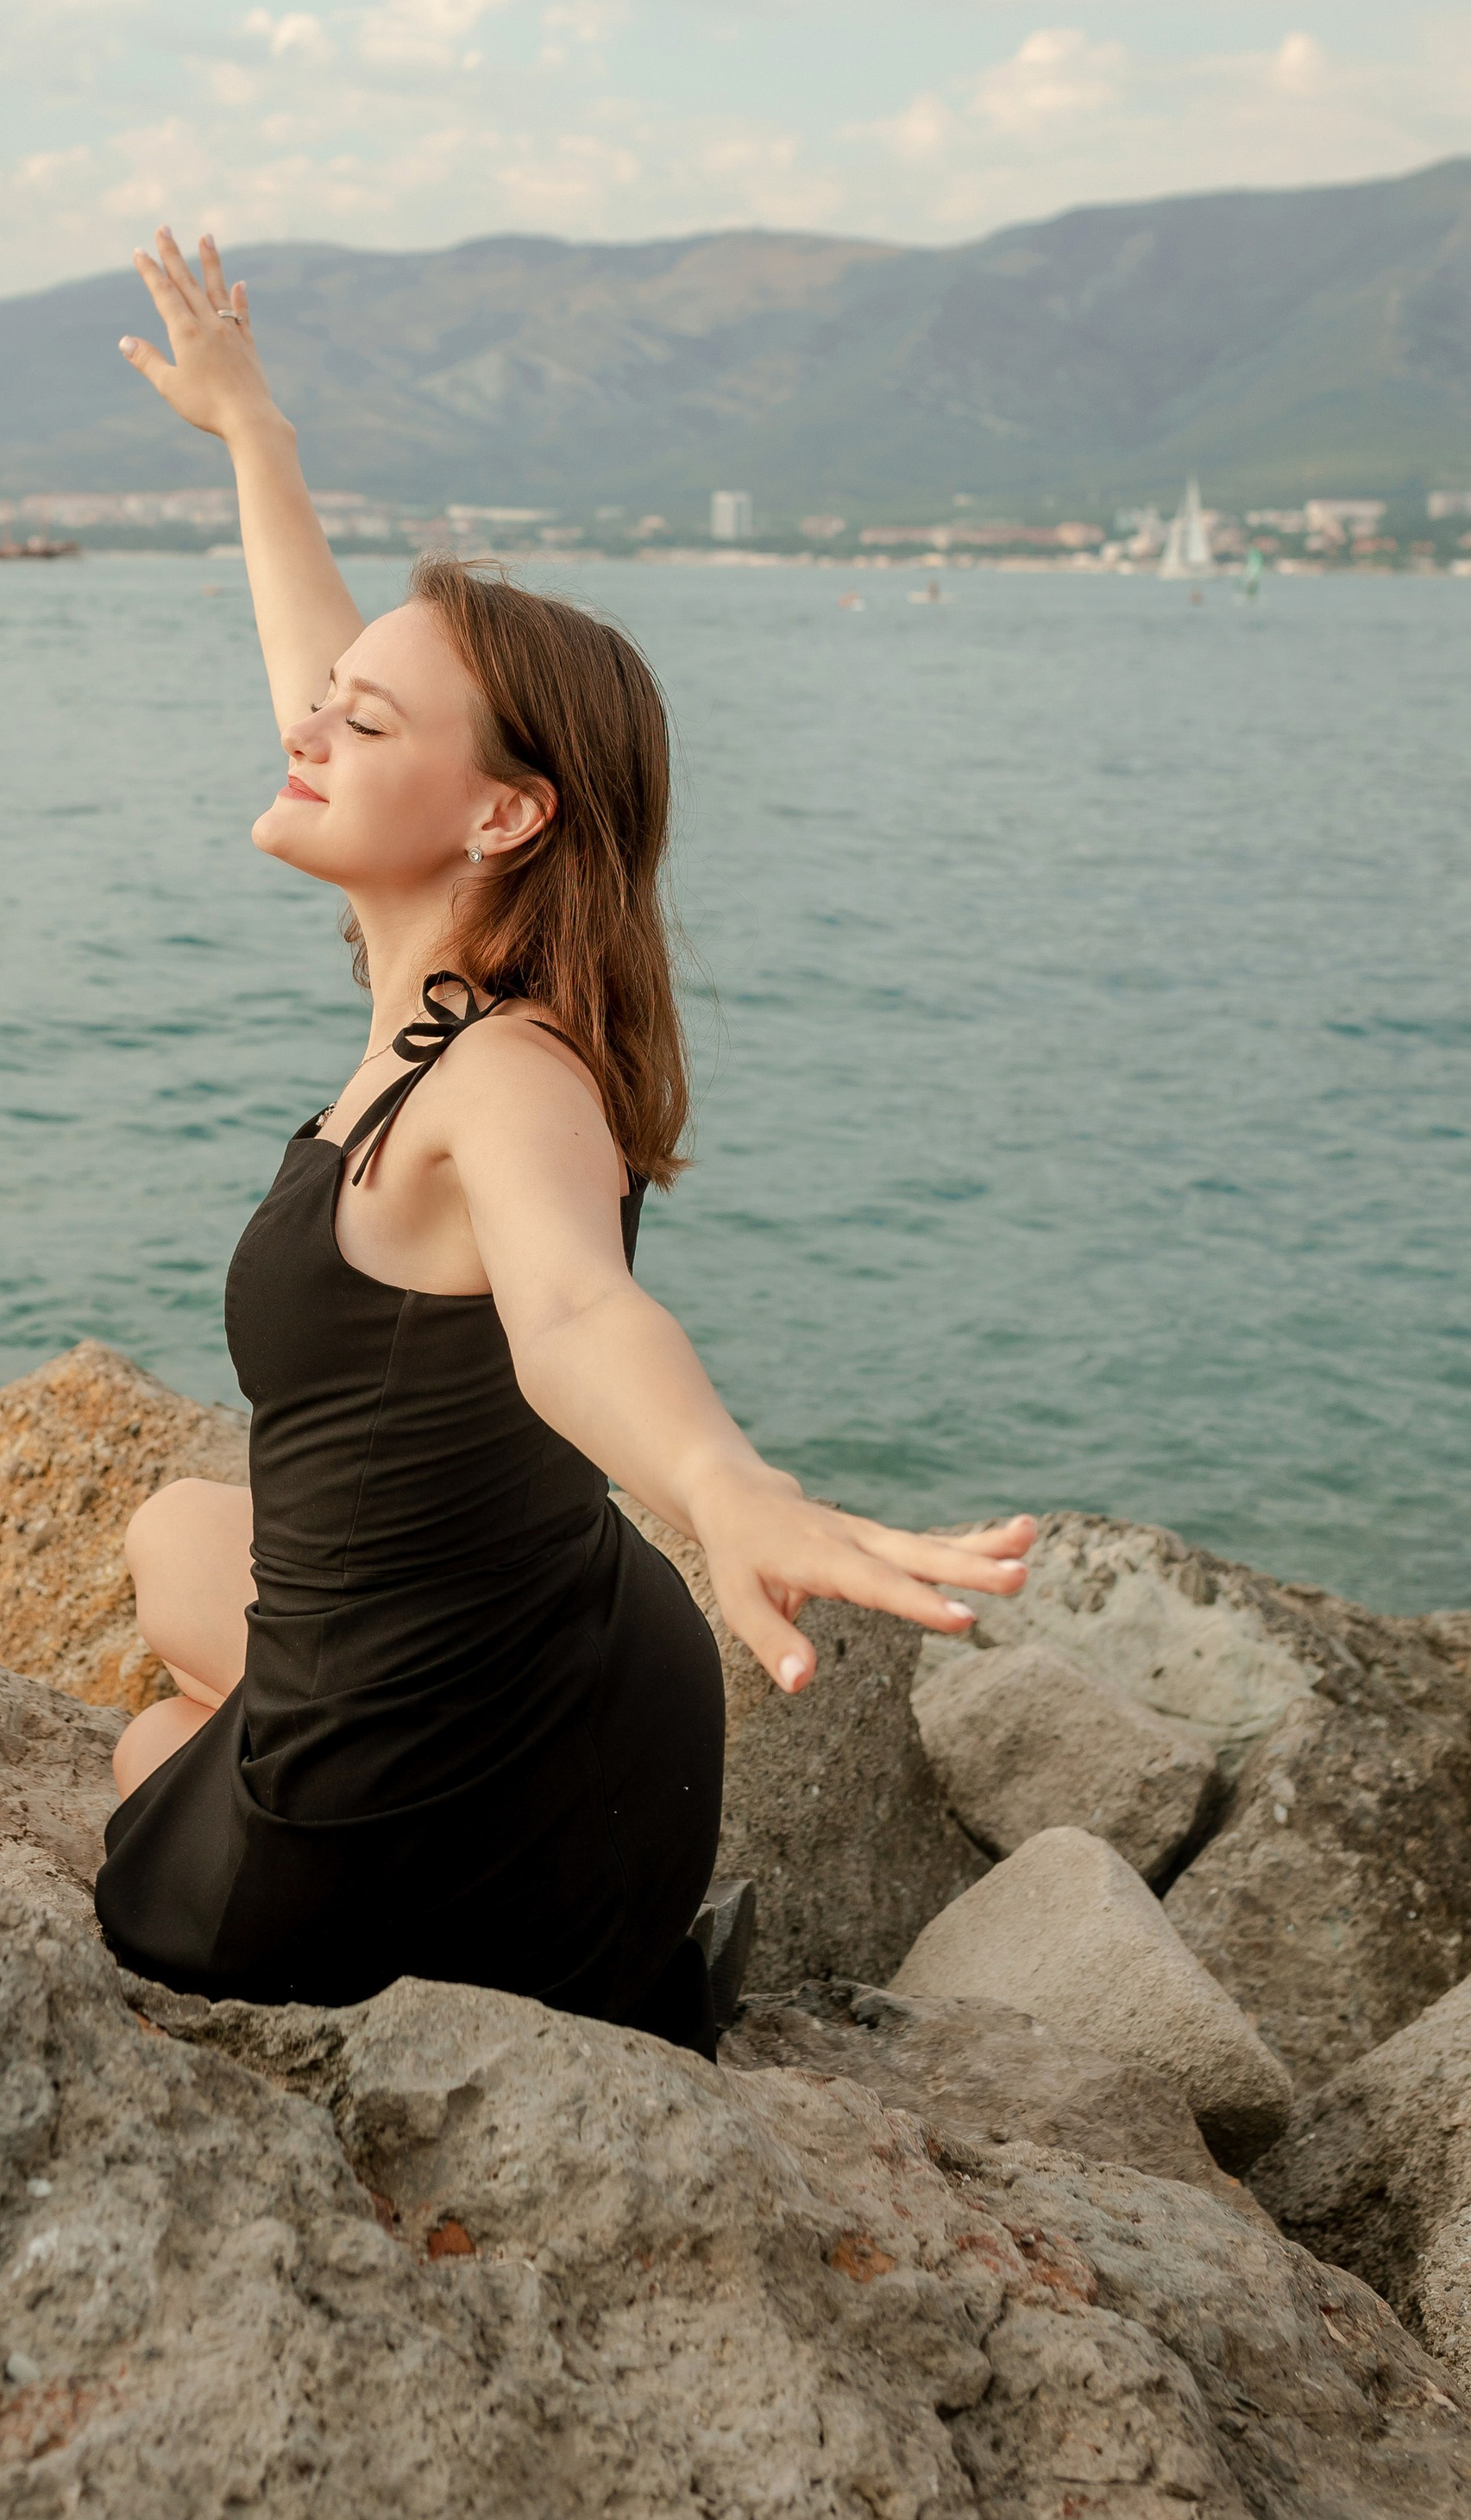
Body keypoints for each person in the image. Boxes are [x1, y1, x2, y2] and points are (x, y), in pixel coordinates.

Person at [93, 229, 1034, 2053]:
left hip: (445, 1797)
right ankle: (569, 1882)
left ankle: (509, 1911)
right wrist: (250, 434)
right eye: (328, 703)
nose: (306, 731)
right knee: (167, 1535)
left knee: (143, 1753)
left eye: (359, 725)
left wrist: (720, 1485)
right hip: (591, 1689)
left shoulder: (501, 1076)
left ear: (503, 812)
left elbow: (575, 1318)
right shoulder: (437, 971)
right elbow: (324, 673)